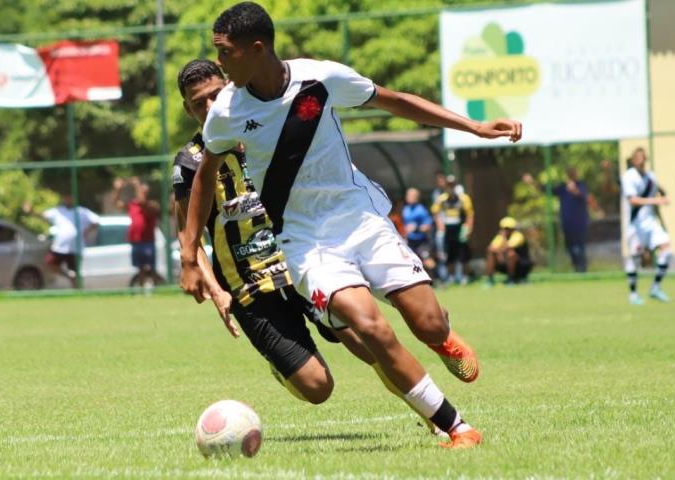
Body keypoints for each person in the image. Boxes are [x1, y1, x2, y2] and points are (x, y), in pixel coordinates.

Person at [181, 2, 522, 449]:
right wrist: (189, 251)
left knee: (428, 323)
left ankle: (441, 336)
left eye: (225, 53)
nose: (220, 65)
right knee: (370, 327)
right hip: (304, 240)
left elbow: (395, 102)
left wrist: (474, 126)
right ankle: (456, 426)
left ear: (256, 49)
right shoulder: (227, 110)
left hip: (359, 219)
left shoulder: (320, 79)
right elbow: (205, 175)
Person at [176, 58, 449, 434]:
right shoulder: (191, 162)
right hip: (250, 288)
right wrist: (214, 286)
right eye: (197, 103)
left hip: (299, 259)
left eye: (213, 96)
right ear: (187, 109)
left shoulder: (263, 129)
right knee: (318, 387)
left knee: (366, 342)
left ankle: (433, 417)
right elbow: (186, 232)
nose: (208, 107)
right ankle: (283, 366)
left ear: (228, 86)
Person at [621, 148, 672, 304]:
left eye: (643, 158)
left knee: (667, 249)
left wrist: (663, 196)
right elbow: (633, 200)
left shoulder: (651, 177)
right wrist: (656, 201)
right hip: (636, 225)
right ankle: (633, 294)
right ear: (633, 160)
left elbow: (659, 191)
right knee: (636, 259)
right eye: (638, 158)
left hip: (651, 222)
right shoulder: (629, 177)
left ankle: (655, 288)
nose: (641, 161)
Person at [23, 193, 99, 288]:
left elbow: (96, 221)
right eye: (66, 197)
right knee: (50, 263)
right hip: (61, 246)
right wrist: (31, 211)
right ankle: (69, 277)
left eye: (70, 197)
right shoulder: (58, 211)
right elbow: (42, 215)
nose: (68, 200)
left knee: (75, 271)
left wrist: (86, 232)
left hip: (75, 247)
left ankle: (78, 291)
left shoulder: (82, 211)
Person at [523, 168, 590, 272]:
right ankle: (577, 268)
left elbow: (585, 197)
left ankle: (582, 269)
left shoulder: (581, 185)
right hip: (567, 223)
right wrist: (532, 182)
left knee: (579, 247)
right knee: (570, 247)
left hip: (580, 222)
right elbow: (546, 189)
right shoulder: (563, 187)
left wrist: (575, 190)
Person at [111, 177, 164, 288]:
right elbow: (116, 203)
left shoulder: (152, 205)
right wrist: (118, 190)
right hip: (136, 241)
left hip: (148, 241)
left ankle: (157, 288)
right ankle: (142, 289)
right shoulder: (132, 204)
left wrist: (136, 186)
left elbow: (143, 202)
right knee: (140, 269)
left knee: (151, 268)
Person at [432, 175, 474, 285]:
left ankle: (464, 276)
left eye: (452, 185)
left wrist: (468, 228)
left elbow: (470, 214)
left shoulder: (463, 198)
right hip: (448, 228)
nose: (451, 187)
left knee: (463, 252)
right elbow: (435, 212)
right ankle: (451, 277)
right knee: (449, 252)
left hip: (460, 228)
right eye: (448, 185)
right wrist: (440, 224)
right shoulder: (442, 199)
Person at [485, 217, 533, 286]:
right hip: (505, 264)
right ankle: (490, 280)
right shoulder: (499, 237)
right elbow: (491, 248)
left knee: (511, 254)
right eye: (504, 228)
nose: (506, 231)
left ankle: (511, 280)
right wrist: (498, 254)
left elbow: (507, 248)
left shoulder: (518, 236)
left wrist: (503, 239)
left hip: (521, 266)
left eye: (508, 229)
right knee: (491, 253)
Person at [401, 188, 436, 276]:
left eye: (412, 196)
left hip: (422, 241)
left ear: (417, 197)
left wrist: (416, 228)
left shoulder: (421, 210)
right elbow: (405, 226)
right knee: (411, 262)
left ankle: (440, 279)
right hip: (410, 241)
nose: (409, 197)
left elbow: (428, 226)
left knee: (427, 260)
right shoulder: (405, 209)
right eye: (408, 195)